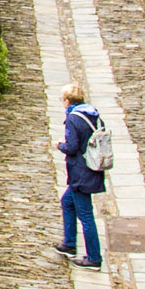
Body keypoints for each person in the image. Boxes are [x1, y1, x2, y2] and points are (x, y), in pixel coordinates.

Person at [54, 80, 106, 269]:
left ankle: (94, 257)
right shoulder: (93, 114)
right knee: (67, 202)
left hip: (80, 172)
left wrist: (60, 145)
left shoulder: (73, 119)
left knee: (86, 215)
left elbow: (72, 147)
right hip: (92, 168)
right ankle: (68, 243)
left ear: (68, 101)